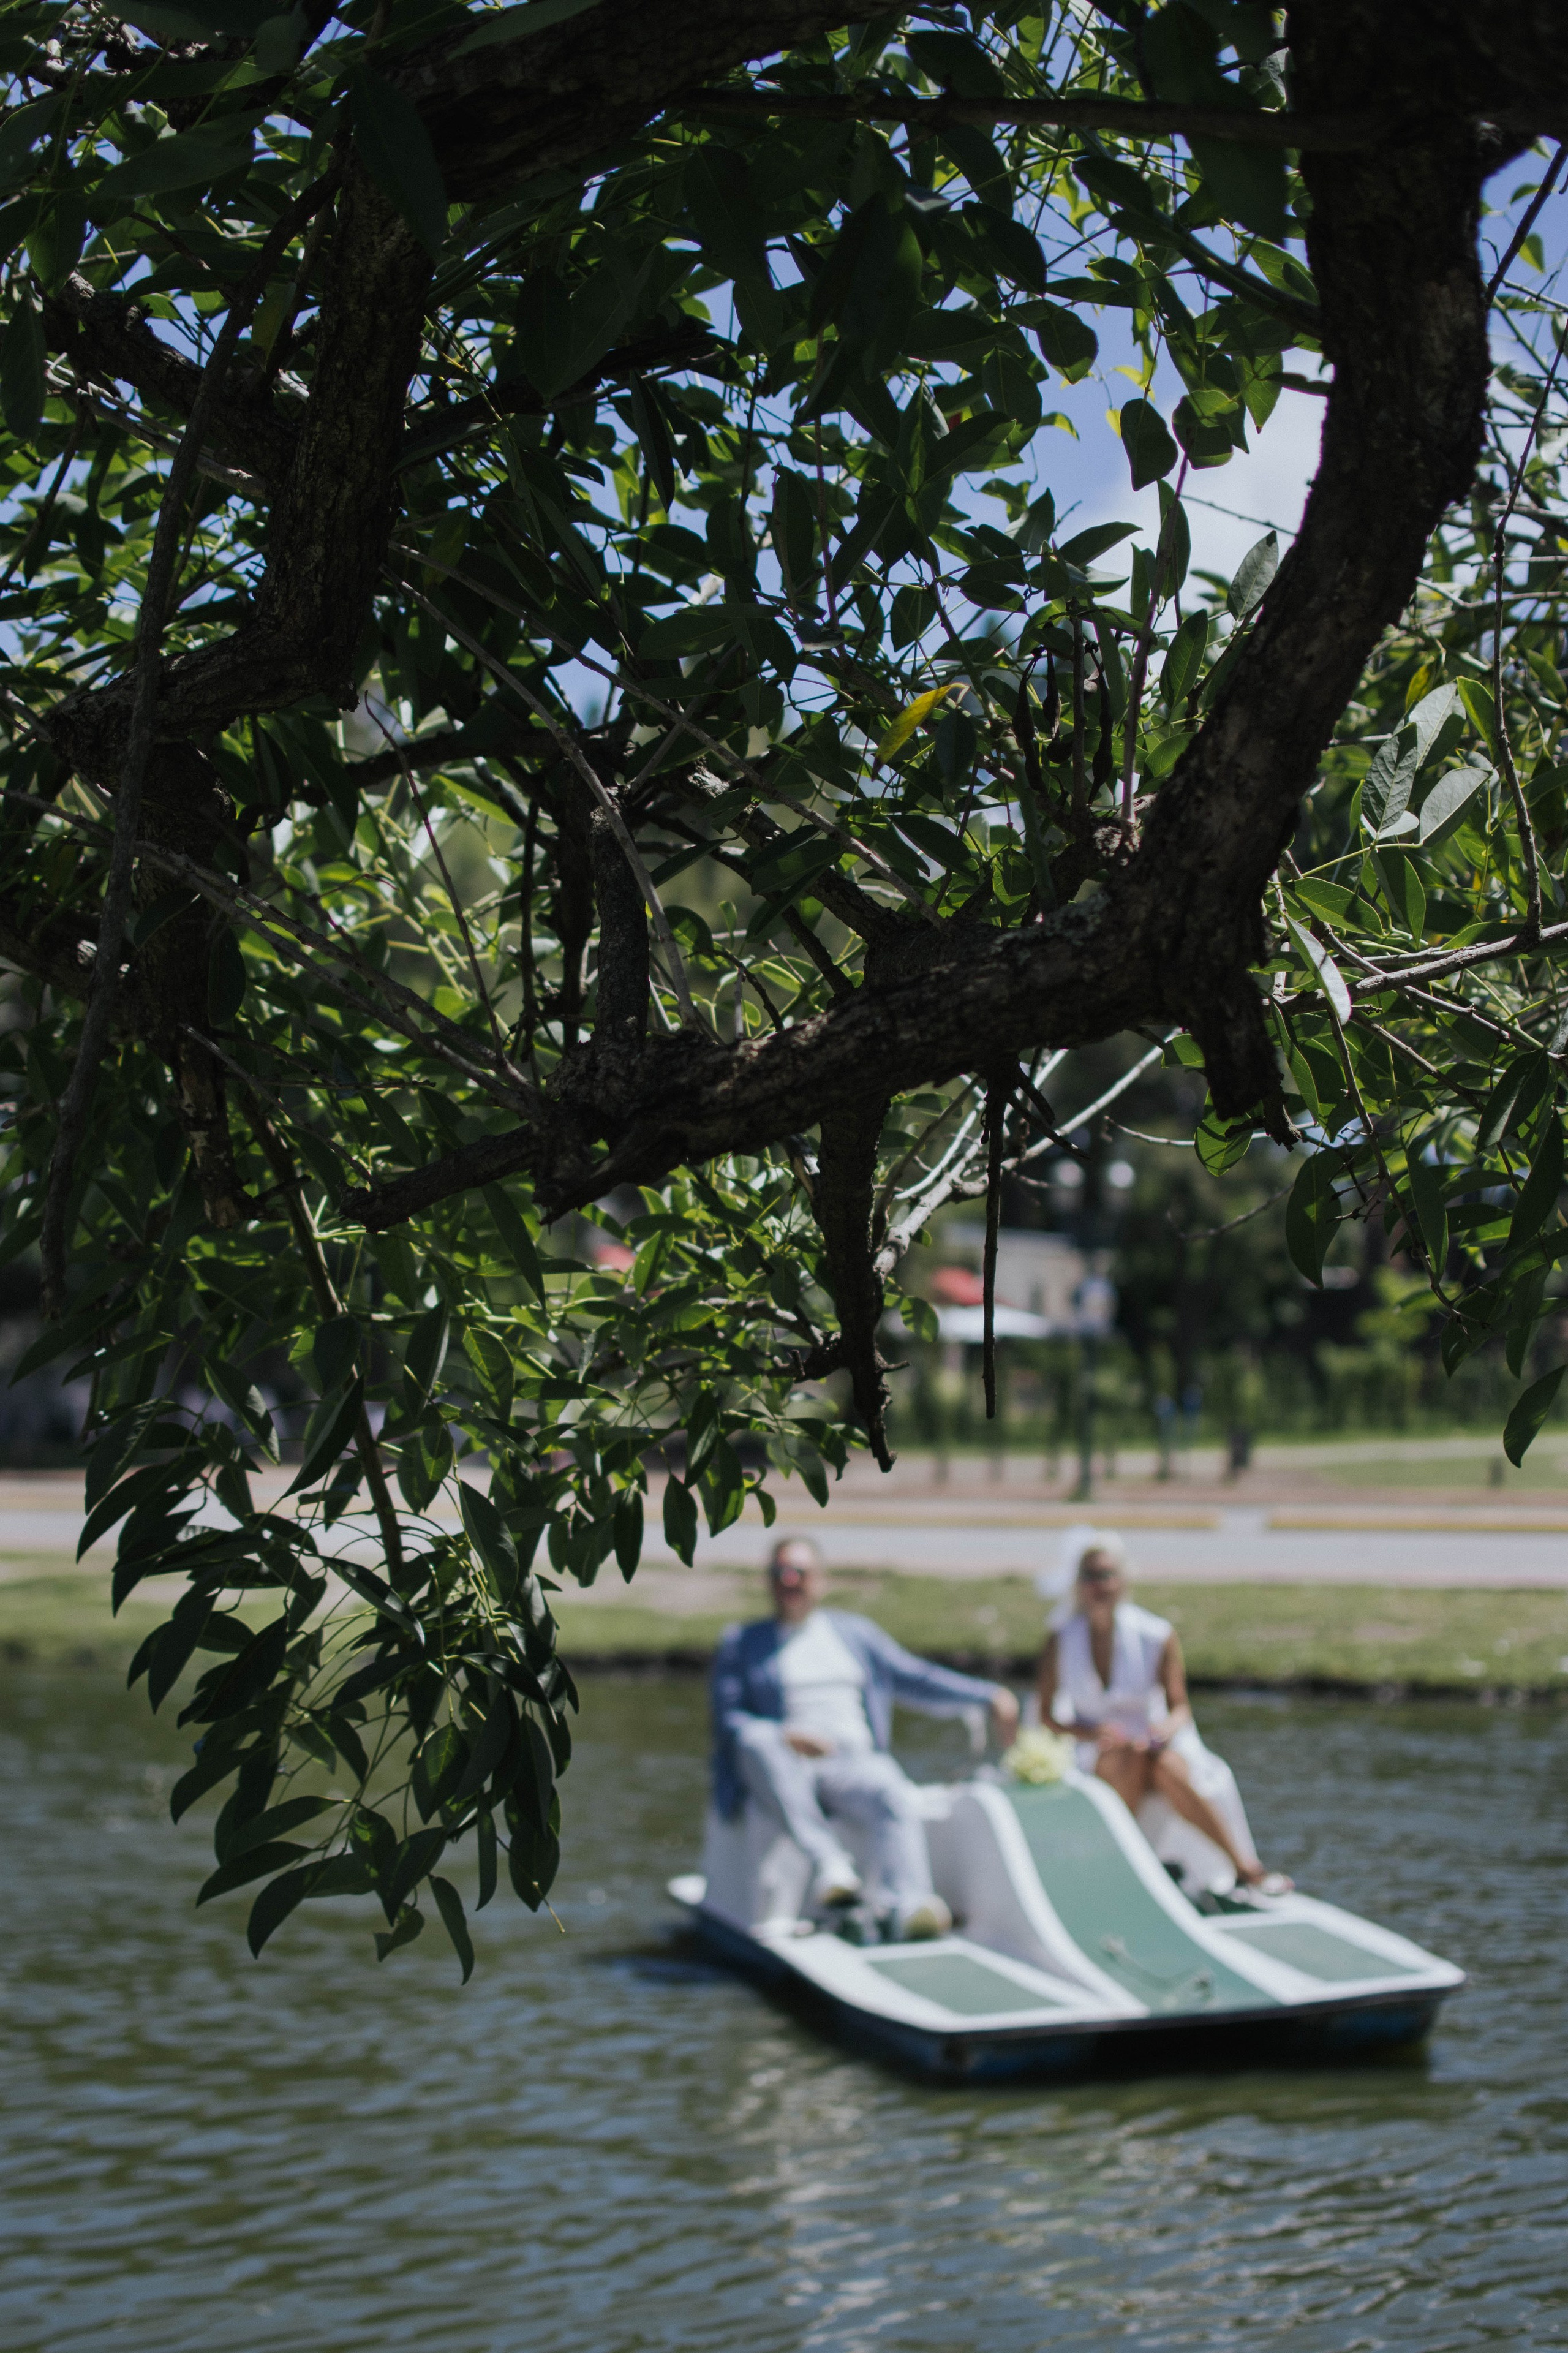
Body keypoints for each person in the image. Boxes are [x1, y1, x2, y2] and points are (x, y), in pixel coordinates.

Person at [711, 1536, 1020, 1939]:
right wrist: (786, 1734)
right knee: (756, 1739)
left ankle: (906, 1906)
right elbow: (729, 1720)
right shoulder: (743, 1642)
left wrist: (988, 1696)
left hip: (850, 1763)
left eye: (799, 1573)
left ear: (820, 1580)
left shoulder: (854, 1634)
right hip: (785, 1768)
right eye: (779, 1573)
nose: (789, 1581)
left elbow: (915, 1678)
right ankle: (829, 1862)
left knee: (892, 1791)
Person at [1036, 1532, 1289, 1892]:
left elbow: (1179, 1708)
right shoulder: (1060, 1639)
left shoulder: (1155, 1634)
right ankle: (1122, 1870)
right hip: (1095, 1748)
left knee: (1166, 1763)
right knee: (1127, 1755)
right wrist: (1094, 1733)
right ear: (1079, 1584)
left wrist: (1161, 1732)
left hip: (1151, 1745)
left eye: (1106, 1575)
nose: (1099, 1586)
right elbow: (1047, 1717)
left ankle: (1244, 1867)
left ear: (1123, 1579)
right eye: (1090, 1577)